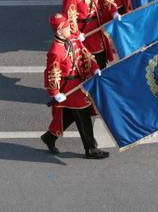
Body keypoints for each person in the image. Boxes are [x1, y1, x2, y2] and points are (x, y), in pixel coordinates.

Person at [40, 13, 109, 159]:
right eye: (66, 27)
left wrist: (95, 68)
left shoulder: (72, 38)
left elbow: (85, 54)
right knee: (83, 115)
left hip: (80, 82)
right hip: (69, 88)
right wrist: (55, 93)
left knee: (71, 114)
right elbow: (52, 73)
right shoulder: (55, 51)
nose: (69, 28)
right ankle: (90, 149)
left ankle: (49, 137)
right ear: (59, 31)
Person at [62, 0, 119, 68]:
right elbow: (69, 17)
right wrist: (77, 34)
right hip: (85, 31)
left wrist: (114, 12)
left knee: (102, 57)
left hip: (98, 27)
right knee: (91, 62)